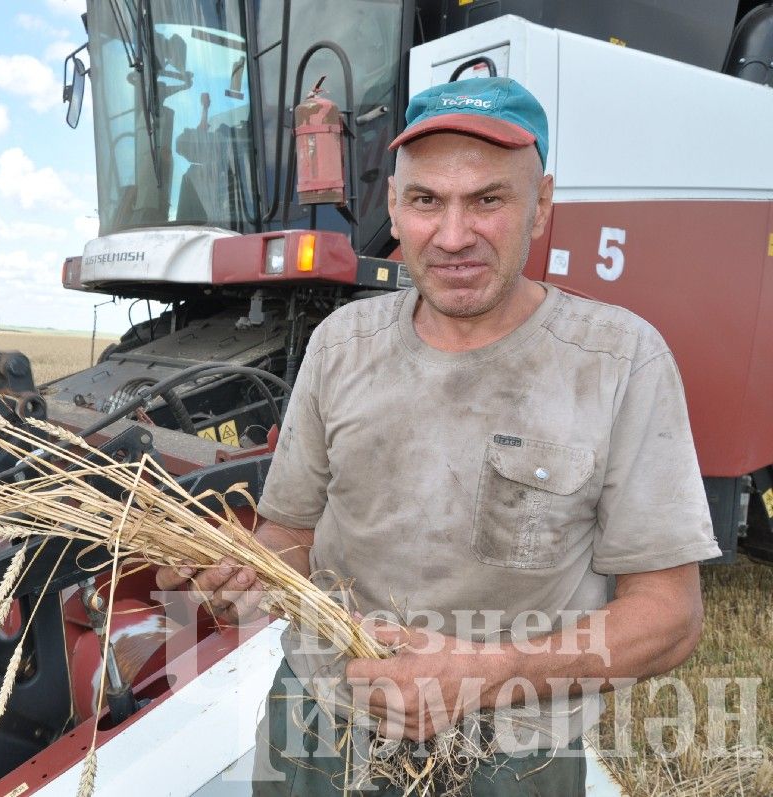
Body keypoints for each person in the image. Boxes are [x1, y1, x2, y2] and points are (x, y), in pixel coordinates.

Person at [155, 76, 721, 795]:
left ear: (541, 204)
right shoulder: (340, 344)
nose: (454, 236)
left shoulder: (618, 362)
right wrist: (249, 576)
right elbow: (289, 536)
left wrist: (478, 677)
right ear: (393, 206)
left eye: (488, 199)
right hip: (319, 725)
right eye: (426, 200)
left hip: (512, 751)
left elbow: (670, 618)